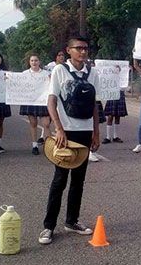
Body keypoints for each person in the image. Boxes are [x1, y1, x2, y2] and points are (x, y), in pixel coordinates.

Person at [38, 36, 100, 245]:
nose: (83, 52)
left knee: (78, 181)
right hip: (66, 133)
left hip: (84, 131)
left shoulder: (93, 73)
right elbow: (51, 101)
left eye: (85, 48)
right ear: (69, 50)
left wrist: (96, 133)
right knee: (59, 180)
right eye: (78, 48)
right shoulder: (59, 71)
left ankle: (72, 221)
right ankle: (48, 226)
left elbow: (94, 106)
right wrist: (59, 129)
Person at [19, 53, 51, 155]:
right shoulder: (24, 74)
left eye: (36, 60)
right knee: (33, 124)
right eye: (32, 60)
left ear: (39, 62)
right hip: (30, 101)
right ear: (29, 62)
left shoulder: (46, 74)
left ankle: (48, 146)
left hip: (42, 101)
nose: (34, 62)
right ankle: (34, 145)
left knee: (46, 124)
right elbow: (18, 85)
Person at [102, 65, 128, 144]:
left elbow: (124, 87)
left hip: (120, 95)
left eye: (118, 69)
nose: (116, 71)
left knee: (118, 116)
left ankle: (115, 136)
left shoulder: (123, 78)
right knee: (110, 116)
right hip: (112, 95)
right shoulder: (110, 78)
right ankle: (108, 137)